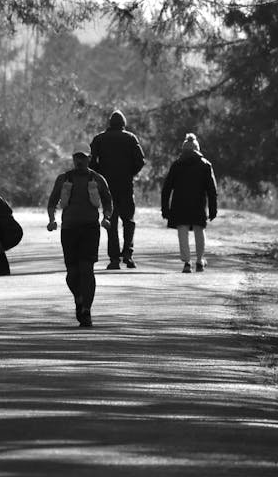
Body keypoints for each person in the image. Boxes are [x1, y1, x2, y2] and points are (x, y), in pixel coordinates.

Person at [47, 151, 114, 327]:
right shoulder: (64, 179)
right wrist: (52, 220)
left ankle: (86, 310)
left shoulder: (98, 179)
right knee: (72, 273)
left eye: (83, 157)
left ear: (89, 159)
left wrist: (106, 217)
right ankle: (79, 297)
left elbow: (108, 201)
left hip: (90, 229)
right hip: (69, 229)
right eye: (77, 157)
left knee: (87, 269)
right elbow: (52, 201)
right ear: (73, 159)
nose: (80, 161)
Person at [89, 110, 147, 269]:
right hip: (126, 185)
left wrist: (99, 175)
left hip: (107, 186)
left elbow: (91, 162)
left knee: (111, 221)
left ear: (109, 123)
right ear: (123, 124)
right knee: (128, 220)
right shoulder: (130, 138)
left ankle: (114, 259)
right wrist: (130, 173)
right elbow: (141, 161)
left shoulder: (99, 139)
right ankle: (128, 255)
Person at [160, 133, 219, 273]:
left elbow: (166, 189)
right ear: (198, 150)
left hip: (180, 205)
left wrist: (165, 209)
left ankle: (187, 262)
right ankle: (199, 260)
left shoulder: (177, 165)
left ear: (183, 150)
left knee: (183, 232)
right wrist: (213, 209)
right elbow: (212, 190)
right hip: (198, 204)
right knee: (199, 231)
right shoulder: (205, 165)